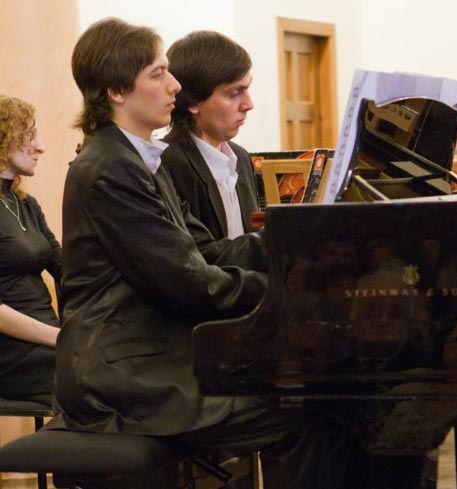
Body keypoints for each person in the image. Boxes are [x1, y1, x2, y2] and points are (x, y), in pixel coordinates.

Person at [52, 18, 361, 489]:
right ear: (116, 90)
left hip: (152, 357)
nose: (174, 85)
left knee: (328, 397)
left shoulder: (138, 160)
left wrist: (302, 249)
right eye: (158, 74)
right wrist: (287, 292)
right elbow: (189, 281)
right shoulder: (110, 170)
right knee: (309, 412)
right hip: (124, 375)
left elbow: (206, 251)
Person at [161, 31, 258, 239]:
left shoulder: (241, 158)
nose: (248, 104)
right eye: (235, 93)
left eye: (247, 89)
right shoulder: (167, 164)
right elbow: (198, 251)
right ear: (193, 102)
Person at [0, 95, 61, 404]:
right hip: (12, 353)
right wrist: (58, 337)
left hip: (48, 341)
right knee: (101, 375)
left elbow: (66, 268)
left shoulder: (26, 204)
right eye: (29, 135)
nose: (40, 147)